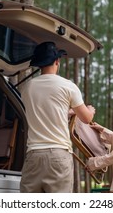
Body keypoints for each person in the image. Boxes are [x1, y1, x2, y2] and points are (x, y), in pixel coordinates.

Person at [20, 41, 95, 193]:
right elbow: (86, 119)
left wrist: (66, 113)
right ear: (57, 61)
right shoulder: (68, 86)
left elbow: (43, 111)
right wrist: (90, 110)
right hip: (58, 155)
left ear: (40, 64)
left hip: (33, 155)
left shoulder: (27, 87)